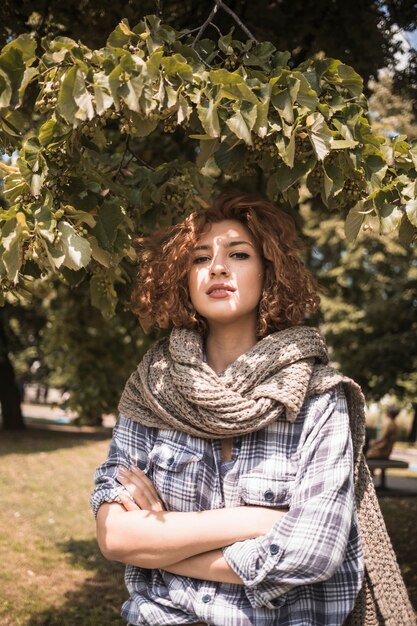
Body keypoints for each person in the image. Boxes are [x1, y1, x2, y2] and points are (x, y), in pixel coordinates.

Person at [91, 192, 414, 626]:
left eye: (239, 254)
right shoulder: (153, 388)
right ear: (183, 279)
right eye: (200, 257)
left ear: (269, 272)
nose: (218, 267)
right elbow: (115, 536)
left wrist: (162, 545)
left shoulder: (318, 396)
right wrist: (254, 519)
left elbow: (313, 553)